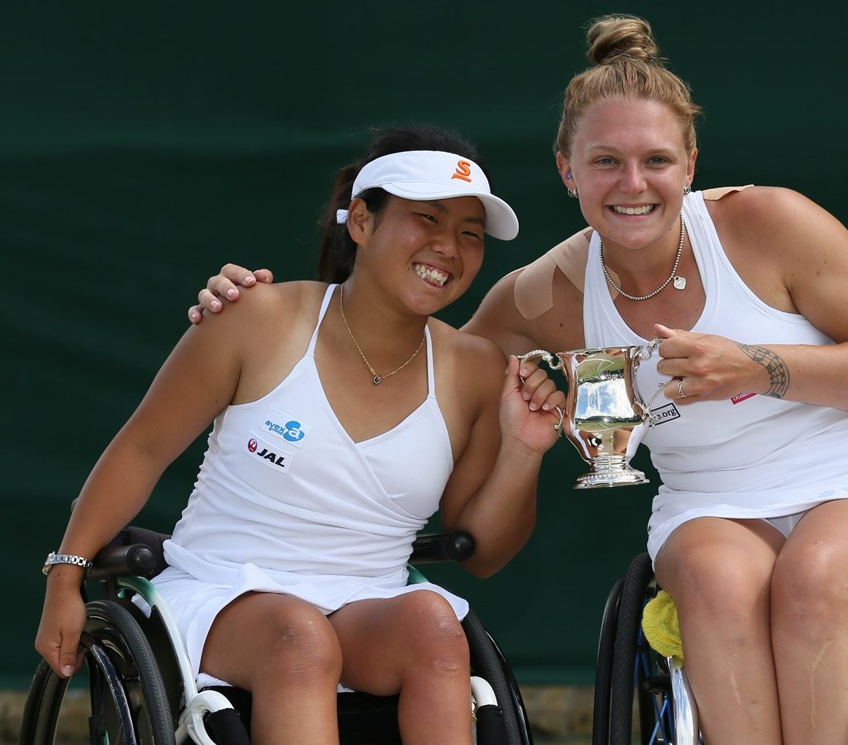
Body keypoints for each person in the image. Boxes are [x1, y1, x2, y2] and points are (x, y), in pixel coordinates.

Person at [188, 15, 848, 745]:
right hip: (708, 503)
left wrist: (760, 367)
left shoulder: (771, 223)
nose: (633, 183)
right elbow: (409, 340)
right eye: (606, 161)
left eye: (655, 160)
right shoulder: (545, 294)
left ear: (690, 165)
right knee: (715, 587)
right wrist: (257, 313)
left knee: (810, 580)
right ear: (567, 170)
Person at [36, 125, 563, 745]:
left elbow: (483, 552)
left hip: (372, 600)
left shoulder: (476, 368)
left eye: (469, 234)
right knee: (300, 640)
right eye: (427, 219)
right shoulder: (256, 316)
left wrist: (524, 452)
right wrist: (66, 575)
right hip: (222, 587)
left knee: (435, 626)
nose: (448, 247)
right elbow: (141, 449)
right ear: (361, 222)